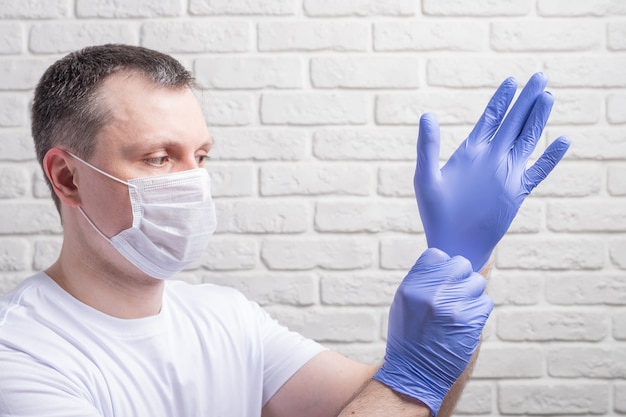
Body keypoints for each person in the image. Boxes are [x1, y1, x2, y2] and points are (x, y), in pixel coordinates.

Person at [0, 44, 570, 417]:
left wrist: (463, 258)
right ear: (68, 177)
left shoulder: (225, 317)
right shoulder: (24, 358)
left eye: (200, 155)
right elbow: (401, 393)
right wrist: (408, 377)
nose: (194, 182)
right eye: (158, 158)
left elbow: (410, 402)